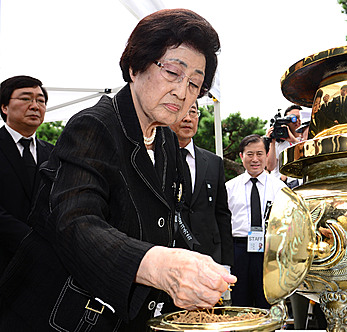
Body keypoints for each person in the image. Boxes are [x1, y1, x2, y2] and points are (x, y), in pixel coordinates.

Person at [0, 9, 236, 331]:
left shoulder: (166, 139)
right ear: (135, 66)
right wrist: (158, 264)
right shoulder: (93, 126)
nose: (183, 92)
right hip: (67, 316)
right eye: (172, 73)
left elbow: (171, 215)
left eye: (195, 84)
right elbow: (76, 223)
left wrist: (200, 261)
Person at [169, 100, 233, 268]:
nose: (188, 119)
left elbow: (222, 214)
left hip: (207, 255)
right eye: (182, 112)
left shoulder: (213, 162)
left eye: (193, 112)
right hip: (168, 253)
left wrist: (225, 262)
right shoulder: (158, 157)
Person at [0, 75, 54, 276]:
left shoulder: (54, 153)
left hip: (45, 267)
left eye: (41, 100)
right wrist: (31, 241)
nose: (35, 106)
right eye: (25, 98)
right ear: (4, 107)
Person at [225, 134, 286, 309]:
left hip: (269, 251)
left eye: (259, 154)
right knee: (240, 304)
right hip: (239, 251)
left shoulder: (279, 188)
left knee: (266, 303)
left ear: (267, 155)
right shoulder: (229, 188)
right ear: (241, 156)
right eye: (249, 154)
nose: (255, 159)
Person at [265, 104, 302, 185]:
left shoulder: (305, 139)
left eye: (300, 117)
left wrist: (294, 141)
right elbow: (270, 167)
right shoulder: (279, 142)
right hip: (281, 185)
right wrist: (272, 142)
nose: (297, 120)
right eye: (293, 118)